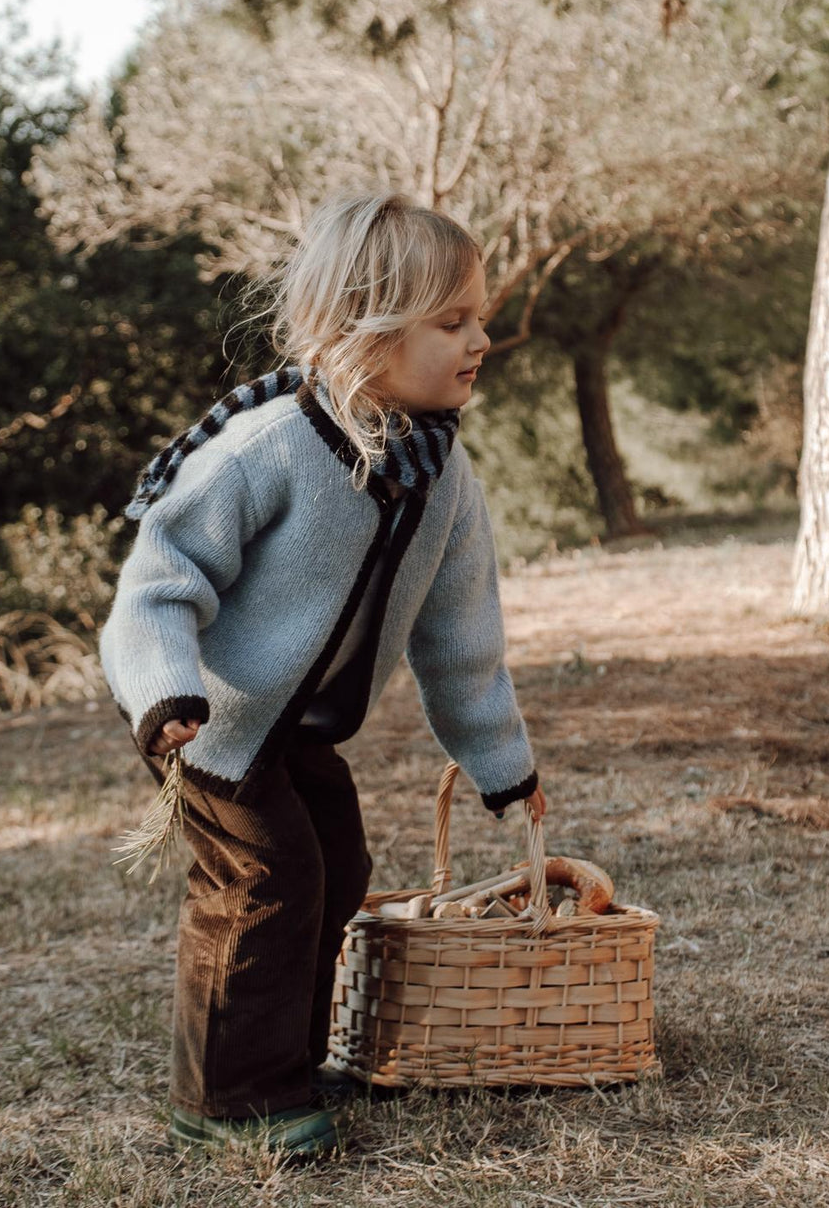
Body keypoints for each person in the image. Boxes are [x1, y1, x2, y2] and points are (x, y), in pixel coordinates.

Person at [98, 190, 547, 1160]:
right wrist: (164, 689)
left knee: (338, 865)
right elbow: (158, 578)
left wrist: (500, 762)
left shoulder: (442, 479)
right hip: (205, 717)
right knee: (268, 874)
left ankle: (288, 1064)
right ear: (366, 332)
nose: (481, 340)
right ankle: (226, 1097)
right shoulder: (272, 447)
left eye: (481, 318)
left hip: (294, 728)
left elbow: (462, 637)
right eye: (453, 322)